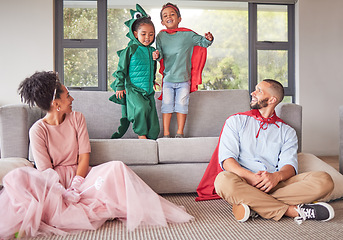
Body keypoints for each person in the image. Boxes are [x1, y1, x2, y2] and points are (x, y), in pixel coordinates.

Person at [0, 71, 193, 239]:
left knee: (116, 167)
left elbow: (84, 156)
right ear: (56, 103)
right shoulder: (37, 130)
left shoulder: (77, 118)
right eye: (68, 96)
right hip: (52, 184)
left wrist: (76, 184)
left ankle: (91, 201)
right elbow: (45, 171)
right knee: (18, 178)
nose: (72, 99)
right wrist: (62, 192)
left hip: (81, 176)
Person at [196, 79, 335, 224]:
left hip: (274, 184)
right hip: (241, 180)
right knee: (222, 181)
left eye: (259, 91)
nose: (253, 93)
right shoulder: (236, 121)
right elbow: (227, 161)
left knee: (324, 180)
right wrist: (251, 177)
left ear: (272, 99)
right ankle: (293, 211)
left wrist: (276, 177)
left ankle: (252, 205)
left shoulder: (287, 131)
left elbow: (289, 166)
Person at [155, 2, 214, 138]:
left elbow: (203, 42)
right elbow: (160, 55)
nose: (169, 17)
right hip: (168, 79)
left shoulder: (187, 35)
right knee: (167, 106)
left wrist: (209, 39)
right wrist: (157, 56)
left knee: (182, 105)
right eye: (165, 16)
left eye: (172, 14)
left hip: (183, 80)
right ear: (162, 22)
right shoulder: (160, 36)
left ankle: (180, 133)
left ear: (179, 19)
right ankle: (166, 134)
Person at [109, 4, 160, 140]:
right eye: (143, 34)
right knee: (141, 109)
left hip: (148, 89)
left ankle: (152, 137)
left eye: (151, 34)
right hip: (134, 89)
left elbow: (151, 66)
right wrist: (120, 86)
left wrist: (152, 80)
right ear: (136, 34)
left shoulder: (151, 51)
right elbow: (121, 68)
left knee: (152, 116)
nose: (147, 37)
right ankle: (141, 135)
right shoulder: (130, 49)